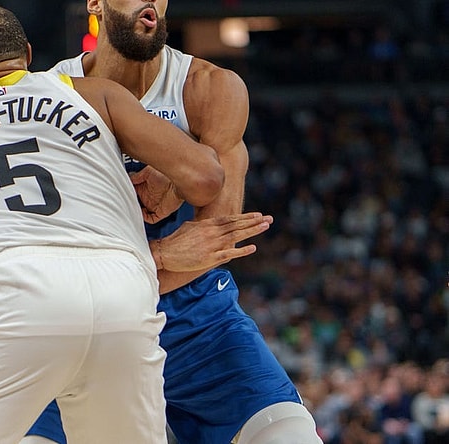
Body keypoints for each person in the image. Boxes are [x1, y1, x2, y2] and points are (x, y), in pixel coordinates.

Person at [0, 5, 231, 444]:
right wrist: (173, 182)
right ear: (29, 56)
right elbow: (207, 177)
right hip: (124, 291)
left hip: (14, 294)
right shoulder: (96, 94)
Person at [48, 1, 323, 443]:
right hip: (86, 324)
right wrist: (158, 254)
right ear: (94, 2)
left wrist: (179, 175)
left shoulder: (209, 88)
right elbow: (44, 257)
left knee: (290, 435)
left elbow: (214, 243)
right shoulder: (48, 98)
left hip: (194, 316)